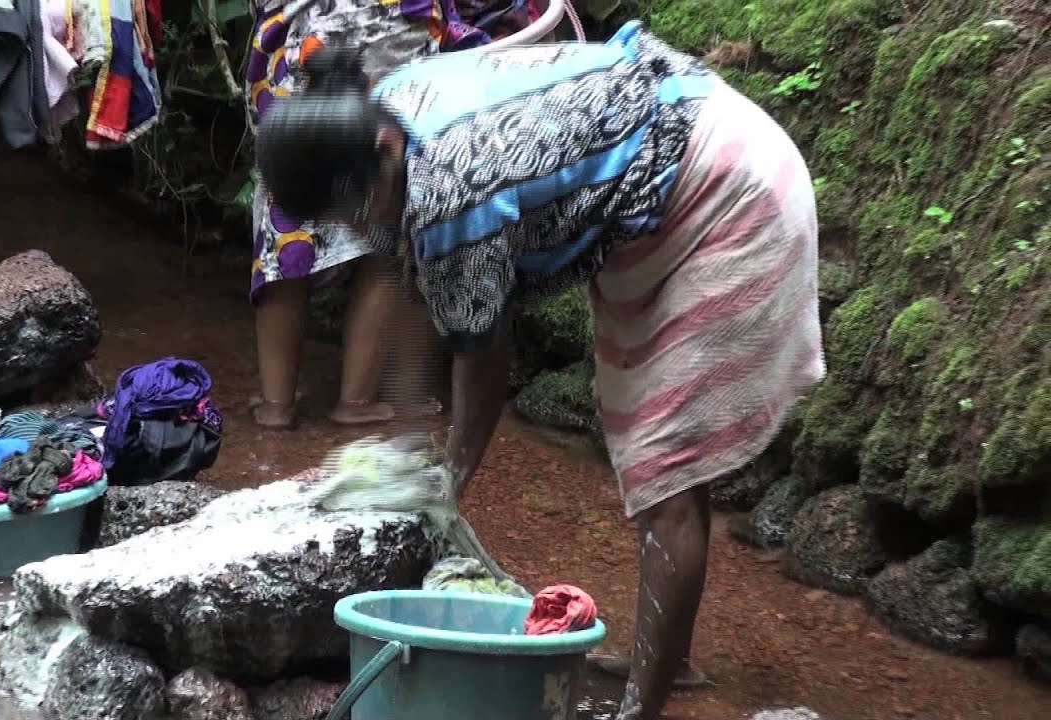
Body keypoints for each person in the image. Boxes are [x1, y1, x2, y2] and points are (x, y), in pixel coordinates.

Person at [253, 20, 825, 720]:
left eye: (351, 209)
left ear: (381, 153)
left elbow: (482, 368)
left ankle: (643, 707)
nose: (351, 226)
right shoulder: (387, 111)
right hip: (669, 149)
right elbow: (412, 294)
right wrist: (405, 452)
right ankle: (667, 659)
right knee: (643, 435)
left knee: (664, 464)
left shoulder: (451, 193)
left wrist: (444, 485)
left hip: (724, 188)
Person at [244, 0, 531, 428]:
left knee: (285, 220)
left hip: (299, 27)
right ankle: (356, 400)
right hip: (385, 24)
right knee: (388, 226)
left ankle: (276, 403)